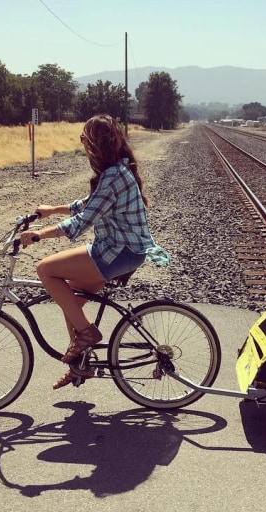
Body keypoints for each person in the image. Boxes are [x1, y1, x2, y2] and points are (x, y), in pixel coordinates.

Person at [19, 114, 170, 389]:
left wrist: (39, 235)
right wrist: (53, 210)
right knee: (71, 303)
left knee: (45, 269)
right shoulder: (116, 171)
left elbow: (83, 221)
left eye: (85, 140)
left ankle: (87, 335)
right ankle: (81, 366)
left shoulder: (113, 175)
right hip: (118, 249)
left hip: (118, 251)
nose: (84, 145)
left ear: (94, 144)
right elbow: (88, 204)